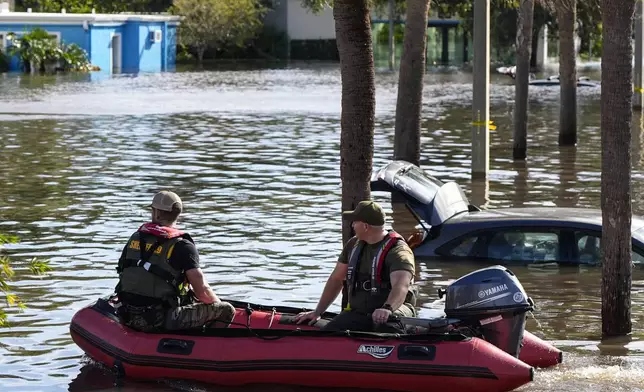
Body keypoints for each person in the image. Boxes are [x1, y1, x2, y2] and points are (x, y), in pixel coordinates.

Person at [114, 190, 236, 332]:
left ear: (157, 213)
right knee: (226, 309)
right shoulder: (182, 246)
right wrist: (216, 307)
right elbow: (202, 292)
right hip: (161, 319)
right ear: (178, 214)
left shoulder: (135, 237)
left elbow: (125, 271)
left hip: (126, 313)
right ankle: (206, 347)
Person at [294, 200, 418, 333]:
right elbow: (336, 280)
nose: (352, 225)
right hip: (362, 312)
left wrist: (387, 308)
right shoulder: (353, 245)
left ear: (365, 226)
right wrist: (318, 311)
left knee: (387, 324)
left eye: (355, 222)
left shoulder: (398, 251)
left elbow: (401, 286)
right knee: (329, 334)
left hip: (395, 310)